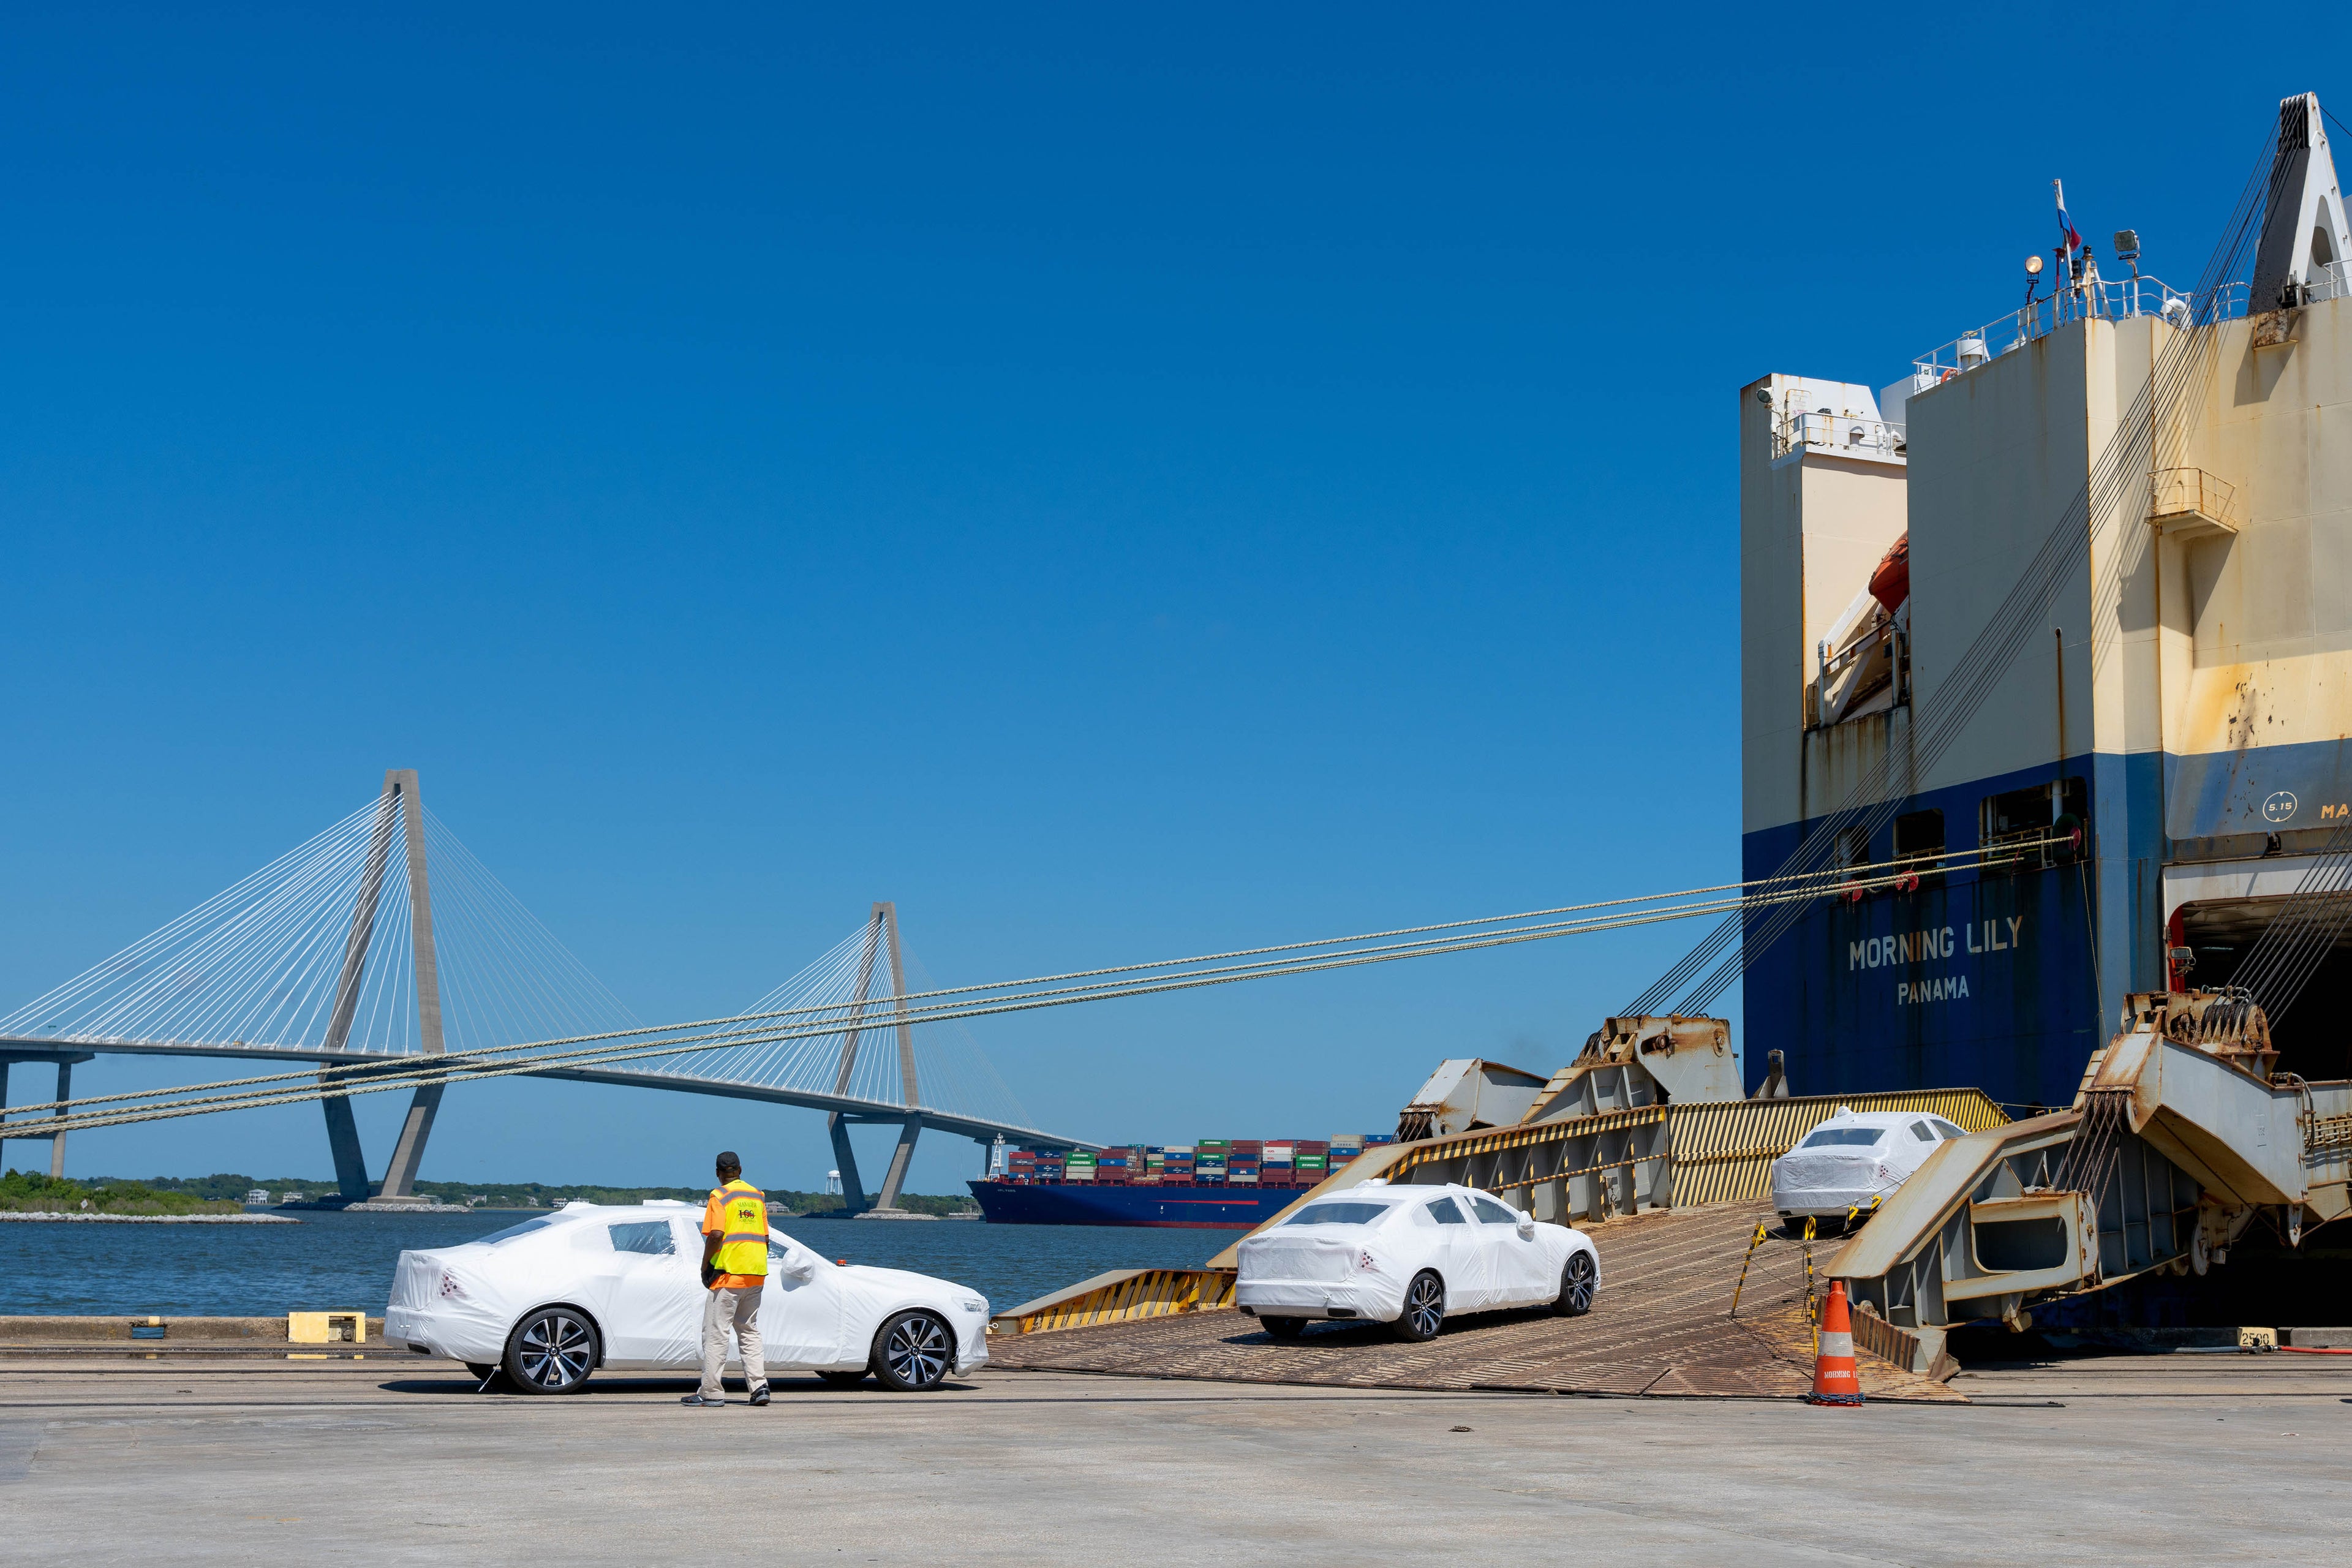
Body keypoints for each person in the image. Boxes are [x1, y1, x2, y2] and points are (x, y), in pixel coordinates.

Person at [682, 1150, 770, 1408]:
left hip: (728, 1273)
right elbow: (765, 1238)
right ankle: (759, 1387)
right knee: (749, 1330)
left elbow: (716, 1235)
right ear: (740, 1170)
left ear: (718, 1173)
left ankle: (711, 1392)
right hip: (756, 1273)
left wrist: (705, 1266)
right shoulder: (757, 1196)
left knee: (716, 1333)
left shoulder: (719, 1196)